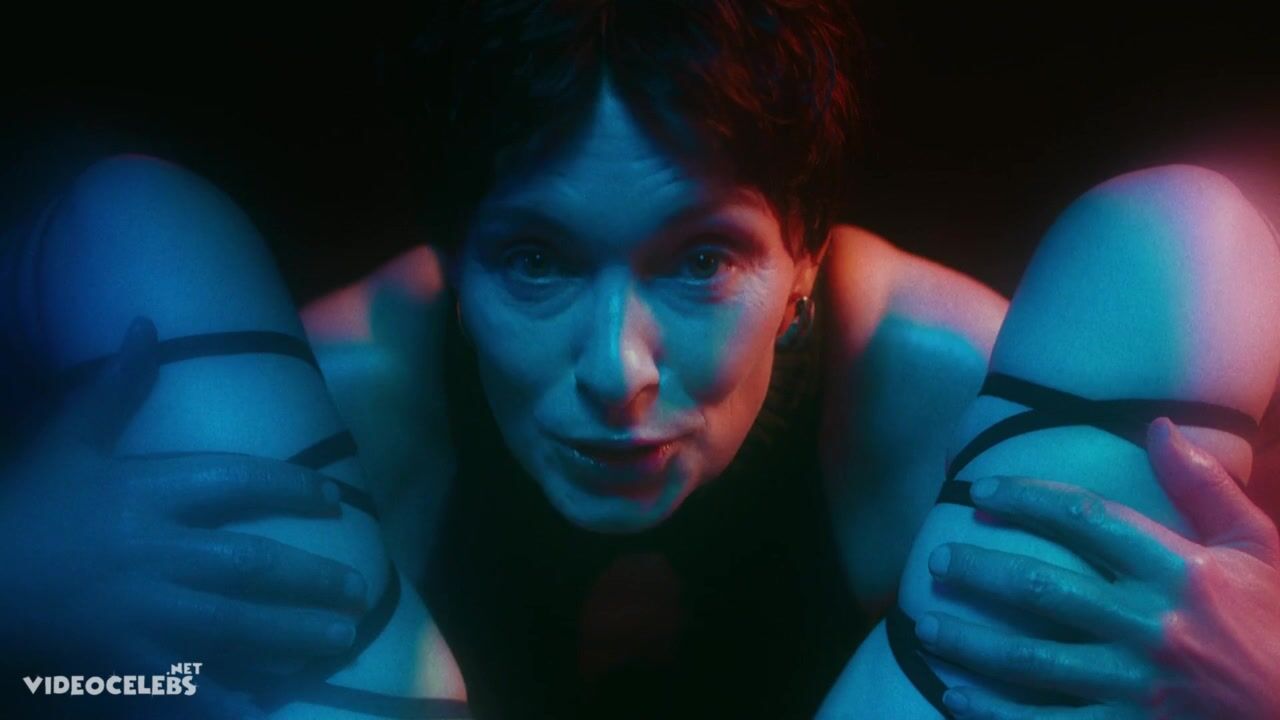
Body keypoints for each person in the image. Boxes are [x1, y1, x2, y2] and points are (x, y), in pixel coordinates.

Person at [3, 2, 1280, 718]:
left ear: (801, 256)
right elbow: (101, 684)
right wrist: (23, 633)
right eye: (536, 261)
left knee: (1183, 234)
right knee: (131, 220)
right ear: (452, 260)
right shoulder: (349, 409)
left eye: (700, 260)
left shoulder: (944, 395)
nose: (615, 370)